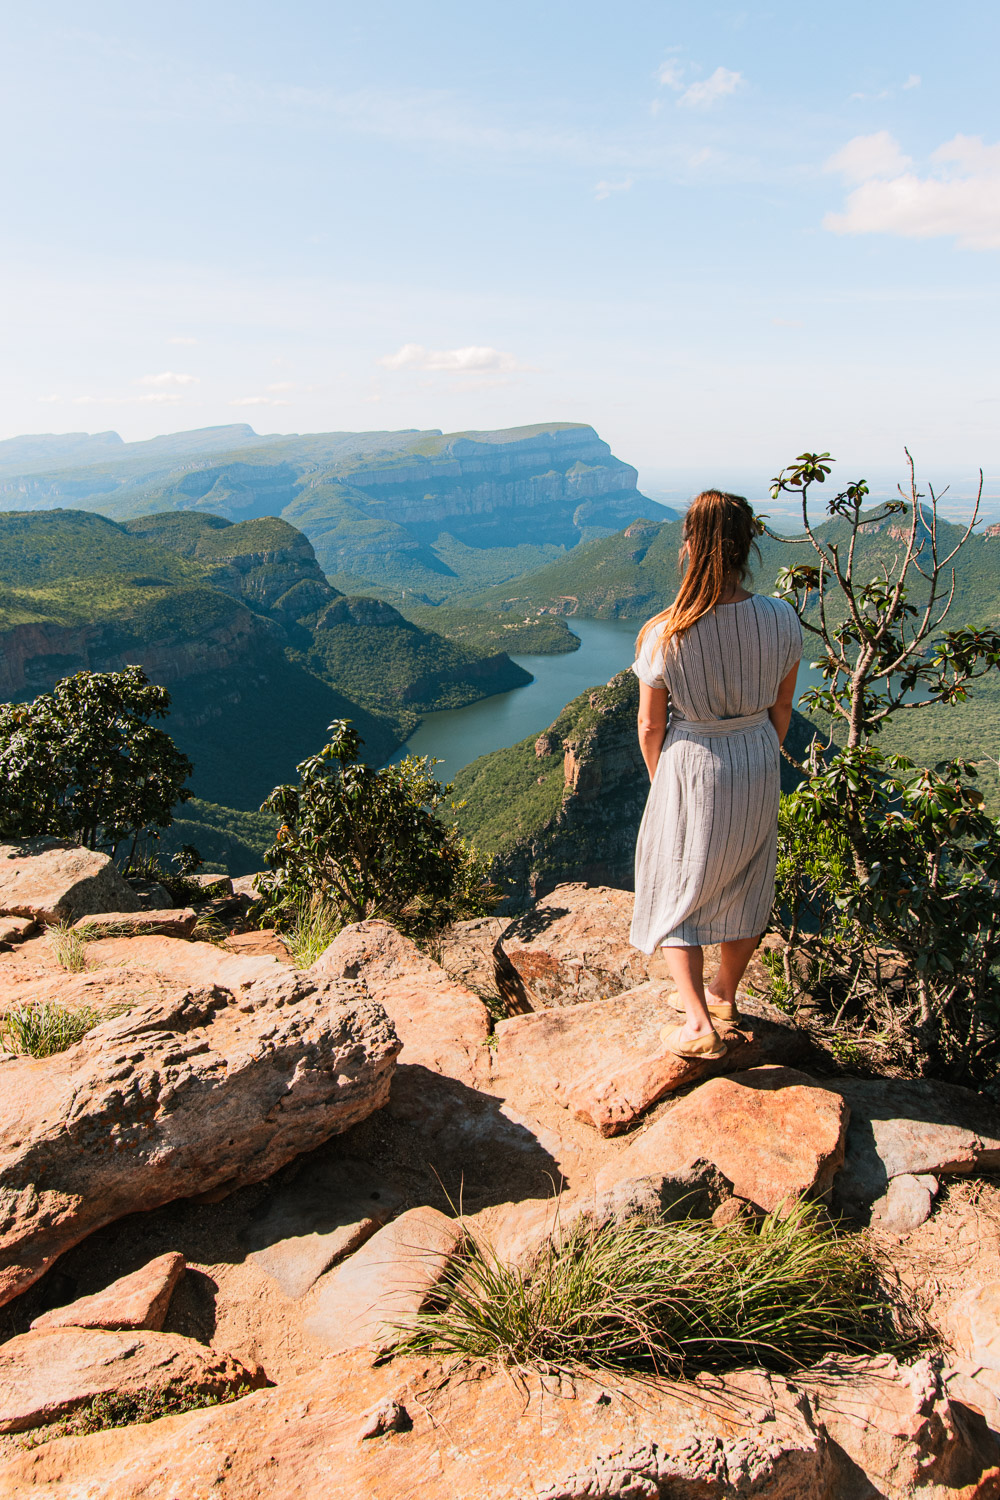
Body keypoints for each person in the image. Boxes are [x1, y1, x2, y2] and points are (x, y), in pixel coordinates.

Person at [630, 489, 802, 1060]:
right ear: (747, 544)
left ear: (690, 547)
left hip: (692, 762)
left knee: (678, 883)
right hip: (757, 754)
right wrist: (759, 750)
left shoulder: (666, 632)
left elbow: (651, 726)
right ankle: (725, 993)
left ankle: (699, 1025)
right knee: (750, 875)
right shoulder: (781, 616)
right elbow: (783, 707)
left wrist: (664, 781)